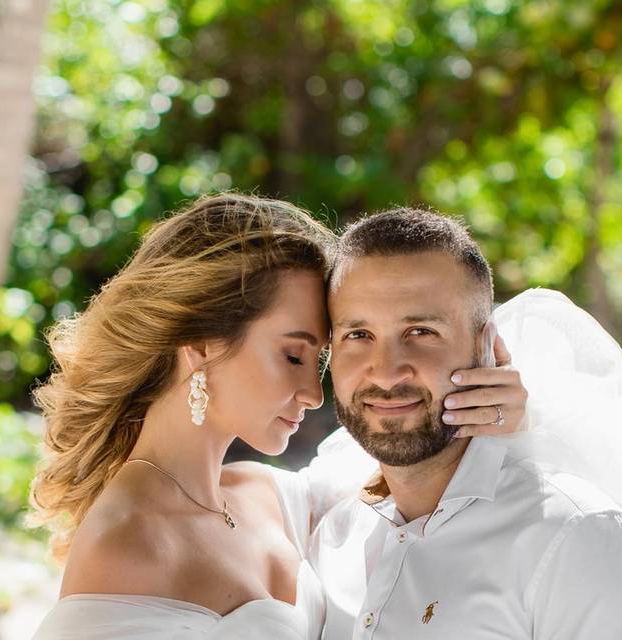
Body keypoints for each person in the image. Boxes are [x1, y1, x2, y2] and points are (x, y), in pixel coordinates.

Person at [30, 194, 525, 639]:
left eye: (321, 362)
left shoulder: (270, 498)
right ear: (202, 344)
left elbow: (410, 470)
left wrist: (494, 413)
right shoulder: (125, 543)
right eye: (293, 356)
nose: (314, 393)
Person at [311, 207, 622, 639]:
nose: (387, 372)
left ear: (488, 346)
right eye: (358, 335)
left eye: (421, 332)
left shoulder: (582, 540)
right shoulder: (330, 534)